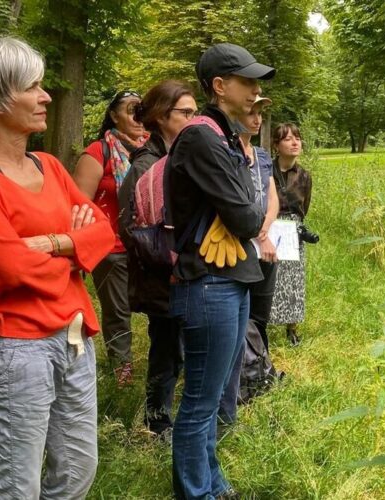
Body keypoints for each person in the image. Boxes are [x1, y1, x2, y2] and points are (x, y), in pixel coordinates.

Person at [0, 37, 114, 498]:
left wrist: (56, 243)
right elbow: (10, 269)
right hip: (17, 351)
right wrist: (74, 257)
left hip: (74, 341)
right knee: (17, 486)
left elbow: (106, 233)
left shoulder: (50, 165)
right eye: (32, 86)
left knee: (77, 472)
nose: (46, 96)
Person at [167, 43, 274, 499]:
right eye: (247, 82)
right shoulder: (203, 136)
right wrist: (246, 207)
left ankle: (213, 482)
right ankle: (196, 492)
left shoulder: (226, 136)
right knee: (199, 402)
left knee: (212, 401)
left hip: (232, 280)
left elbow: (248, 209)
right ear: (219, 86)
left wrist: (243, 207)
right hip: (208, 283)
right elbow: (251, 217)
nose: (255, 91)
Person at [117, 80, 198, 437]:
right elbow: (133, 227)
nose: (193, 119)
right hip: (162, 272)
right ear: (162, 117)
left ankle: (177, 413)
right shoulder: (145, 165)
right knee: (166, 348)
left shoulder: (182, 156)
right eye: (186, 113)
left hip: (187, 267)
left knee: (181, 345)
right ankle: (157, 420)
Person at [73, 89, 148, 385]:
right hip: (111, 246)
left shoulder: (152, 150)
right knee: (118, 311)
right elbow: (78, 206)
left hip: (146, 245)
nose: (139, 116)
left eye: (143, 110)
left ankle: (160, 366)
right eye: (132, 109)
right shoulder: (98, 152)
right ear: (114, 115)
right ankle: (122, 373)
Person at [219, 96, 283, 424]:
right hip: (236, 245)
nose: (257, 120)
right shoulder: (227, 155)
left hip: (266, 242)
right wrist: (258, 235)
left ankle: (261, 370)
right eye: (251, 113)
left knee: (261, 313)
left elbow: (272, 199)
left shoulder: (261, 156)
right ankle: (241, 380)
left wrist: (265, 230)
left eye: (260, 114)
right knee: (239, 318)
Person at [269, 123, 314, 346]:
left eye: (297, 138)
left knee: (293, 280)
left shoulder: (305, 176)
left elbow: (304, 209)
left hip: (293, 230)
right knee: (268, 277)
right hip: (269, 228)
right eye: (288, 139)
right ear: (276, 145)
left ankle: (292, 329)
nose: (295, 142)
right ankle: (259, 325)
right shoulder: (266, 171)